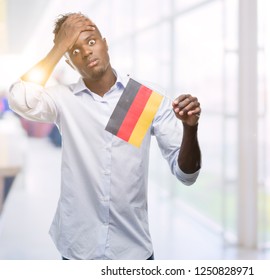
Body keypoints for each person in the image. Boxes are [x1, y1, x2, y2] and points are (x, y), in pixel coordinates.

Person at [8, 13, 201, 260]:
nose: (87, 52)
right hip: (78, 249)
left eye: (91, 42)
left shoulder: (145, 98)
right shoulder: (61, 99)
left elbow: (186, 174)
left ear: (105, 43)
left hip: (133, 251)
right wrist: (58, 47)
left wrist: (190, 129)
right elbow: (19, 99)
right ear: (67, 62)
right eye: (74, 50)